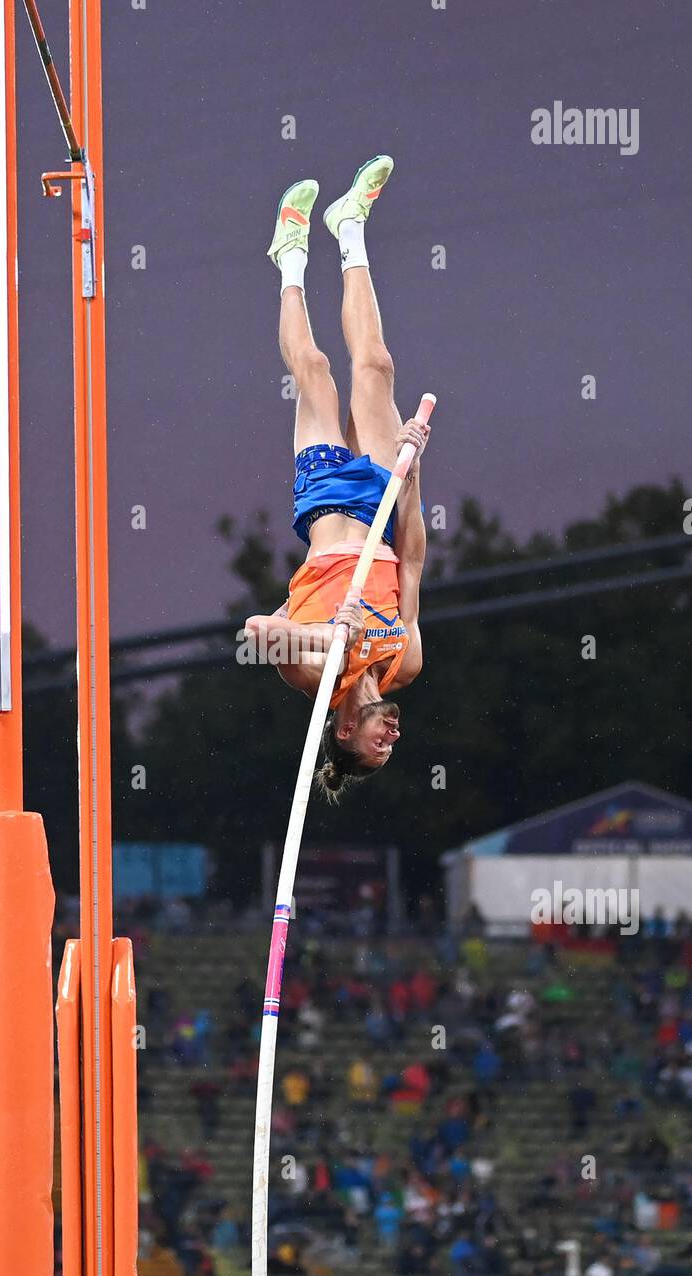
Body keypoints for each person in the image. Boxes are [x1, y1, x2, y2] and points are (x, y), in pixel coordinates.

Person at [244, 156, 432, 802]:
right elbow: (409, 561)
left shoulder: (313, 676)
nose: (392, 740)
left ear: (343, 729)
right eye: (390, 750)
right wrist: (412, 471)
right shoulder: (403, 662)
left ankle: (289, 257)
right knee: (376, 366)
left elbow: (258, 631)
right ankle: (349, 227)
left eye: (375, 749)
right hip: (383, 502)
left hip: (327, 506)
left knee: (318, 370)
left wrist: (332, 635)